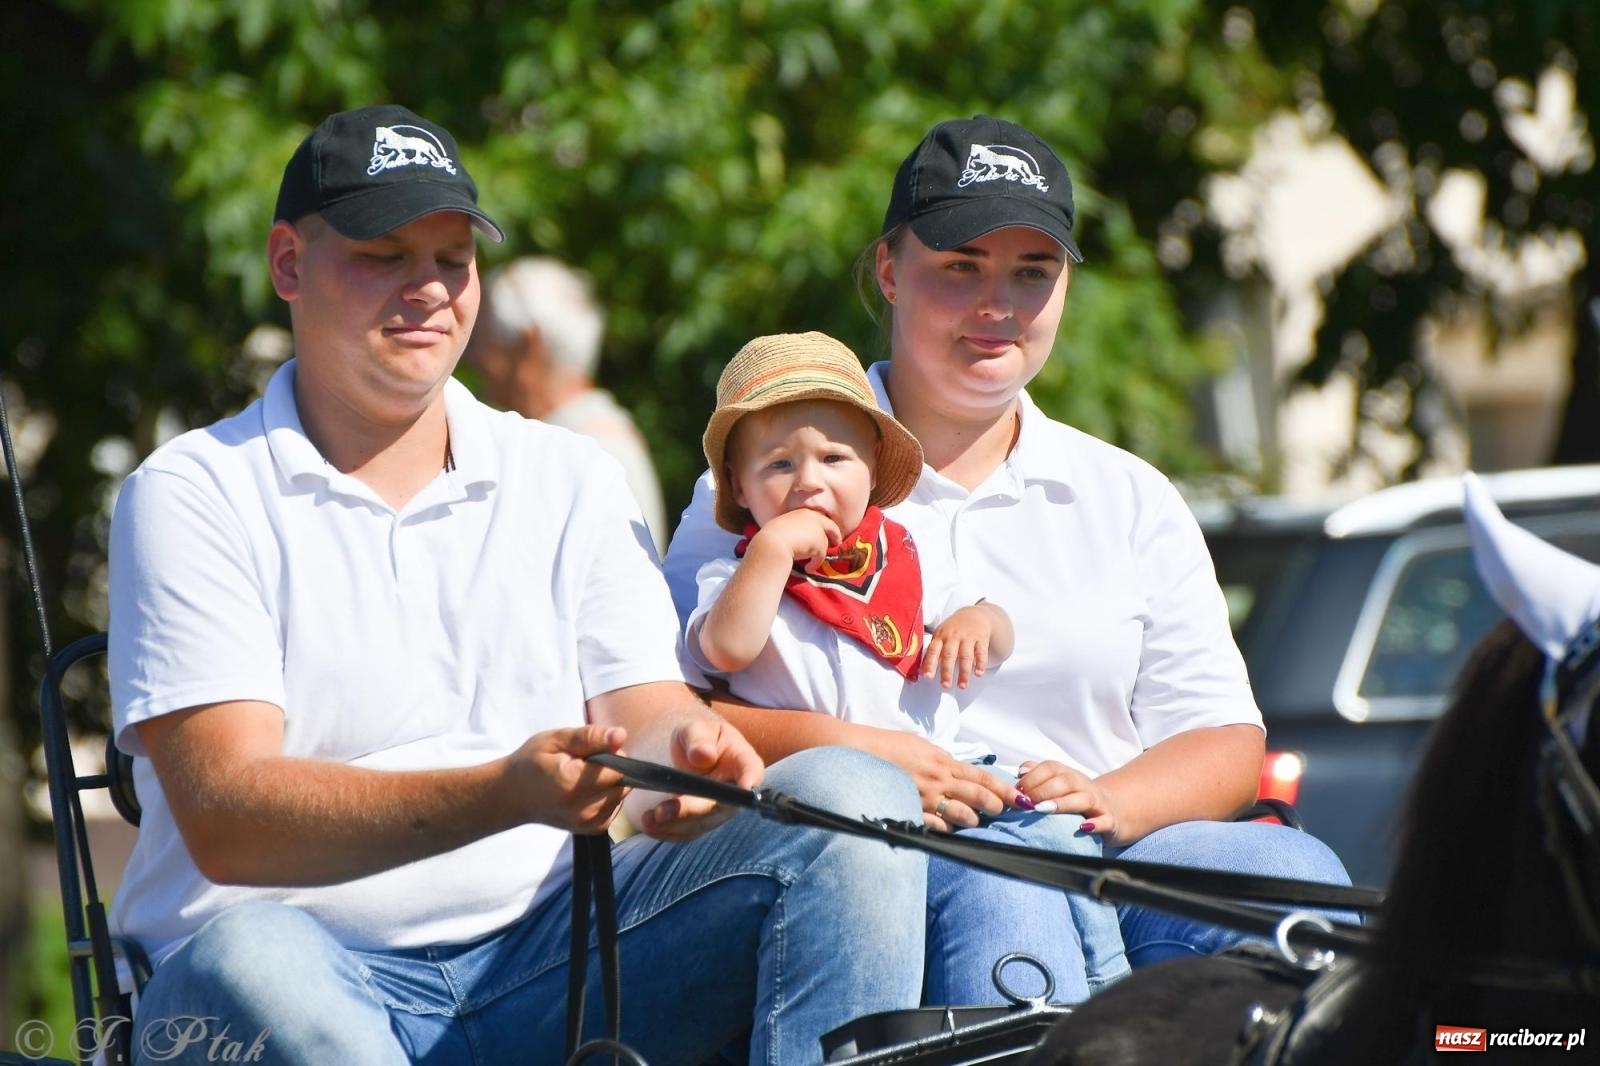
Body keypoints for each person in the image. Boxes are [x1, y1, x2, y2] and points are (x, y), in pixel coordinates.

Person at [106, 104, 926, 1066]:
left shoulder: (565, 472)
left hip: (552, 969)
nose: (429, 288)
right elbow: (229, 820)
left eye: (452, 259)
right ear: (289, 263)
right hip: (284, 973)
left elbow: (646, 710)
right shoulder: (190, 491)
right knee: (252, 958)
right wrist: (504, 793)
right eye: (383, 254)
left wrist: (690, 757)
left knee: (853, 799)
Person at [663, 115, 1352, 1001]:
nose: (1000, 305)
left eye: (1034, 273)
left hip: (1111, 850)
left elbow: (1223, 739)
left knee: (1300, 887)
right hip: (888, 857)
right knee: (1009, 906)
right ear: (888, 271)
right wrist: (859, 755)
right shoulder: (773, 472)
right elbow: (678, 709)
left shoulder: (1127, 495)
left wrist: (1110, 803)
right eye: (962, 267)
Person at [685, 330, 1128, 1002]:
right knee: (996, 868)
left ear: (871, 472)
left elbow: (990, 620)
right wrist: (771, 554)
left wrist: (978, 625)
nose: (809, 481)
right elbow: (726, 650)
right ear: (740, 491)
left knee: (1057, 830)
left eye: (834, 458)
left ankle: (1106, 985)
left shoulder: (904, 557)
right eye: (777, 465)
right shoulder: (734, 577)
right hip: (823, 804)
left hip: (946, 773)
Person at [469, 257, 668, 554]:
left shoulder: (587, 451)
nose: (474, 358)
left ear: (529, 345)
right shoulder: (593, 436)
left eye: (482, 340)